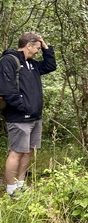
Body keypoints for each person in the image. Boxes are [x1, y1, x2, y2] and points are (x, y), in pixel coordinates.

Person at [0, 32, 57, 198]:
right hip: (19, 117)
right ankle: (11, 188)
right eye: (37, 48)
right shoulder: (9, 61)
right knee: (16, 151)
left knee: (29, 151)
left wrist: (46, 46)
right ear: (28, 45)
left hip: (34, 117)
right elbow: (6, 90)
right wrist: (23, 107)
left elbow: (51, 65)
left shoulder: (32, 64)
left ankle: (21, 183)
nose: (38, 51)